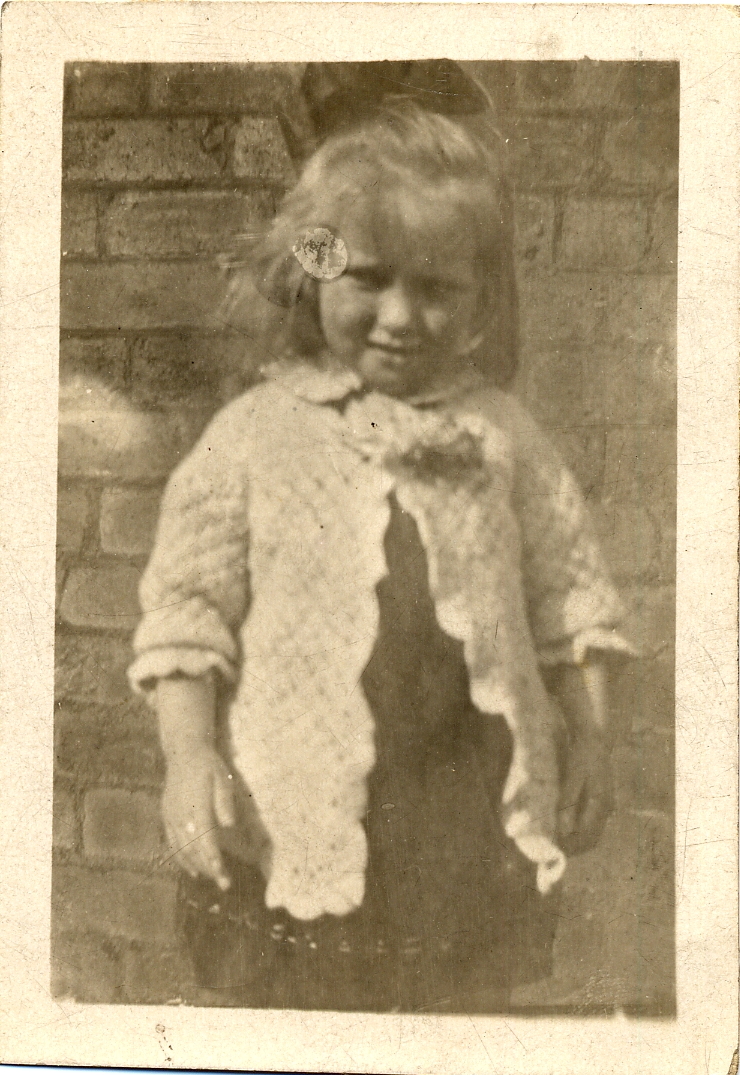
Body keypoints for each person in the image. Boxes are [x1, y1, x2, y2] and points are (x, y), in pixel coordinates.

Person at [129, 104, 632, 1013]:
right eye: (368, 279)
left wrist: (591, 736)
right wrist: (190, 756)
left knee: (456, 1014)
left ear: (482, 295)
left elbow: (573, 600)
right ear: (311, 269)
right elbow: (186, 615)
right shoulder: (254, 435)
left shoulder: (500, 435)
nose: (402, 317)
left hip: (462, 811)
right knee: (306, 1014)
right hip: (296, 797)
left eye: (438, 287)